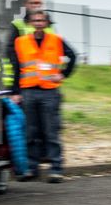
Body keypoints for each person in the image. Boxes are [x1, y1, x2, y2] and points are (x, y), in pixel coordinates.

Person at [9, 10, 76, 183]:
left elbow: (73, 56)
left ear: (46, 23)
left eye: (41, 20)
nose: (38, 23)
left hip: (49, 92)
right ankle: (32, 168)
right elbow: (16, 68)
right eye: (35, 20)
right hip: (28, 91)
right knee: (30, 132)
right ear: (30, 23)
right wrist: (15, 92)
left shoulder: (56, 40)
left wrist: (63, 74)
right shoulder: (21, 42)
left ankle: (56, 168)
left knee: (51, 131)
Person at [4, 0, 44, 90]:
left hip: (45, 80)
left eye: (38, 3)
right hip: (24, 78)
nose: (36, 6)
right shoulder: (18, 25)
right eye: (33, 3)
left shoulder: (49, 26)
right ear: (26, 5)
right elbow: (11, 51)